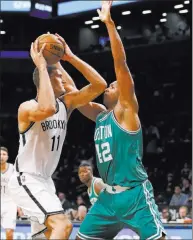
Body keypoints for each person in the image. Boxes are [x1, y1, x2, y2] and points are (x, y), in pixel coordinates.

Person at [73, 1, 165, 239]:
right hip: (107, 198)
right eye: (110, 84)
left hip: (135, 195)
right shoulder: (100, 114)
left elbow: (120, 64)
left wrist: (110, 24)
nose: (111, 85)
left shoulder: (125, 111)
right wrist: (65, 58)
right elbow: (75, 97)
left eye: (114, 84)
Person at [8, 36, 107, 240]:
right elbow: (48, 107)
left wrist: (70, 58)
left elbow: (99, 85)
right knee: (63, 225)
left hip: (44, 181)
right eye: (59, 77)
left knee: (46, 235)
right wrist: (43, 66)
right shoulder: (27, 108)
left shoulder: (67, 104)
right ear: (47, 80)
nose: (64, 80)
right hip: (25, 178)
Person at [1, 147, 21, 240]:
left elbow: (18, 187)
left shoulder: (13, 169)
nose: (1, 156)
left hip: (10, 203)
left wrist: (19, 206)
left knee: (9, 233)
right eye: (0, 154)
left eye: (4, 154)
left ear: (7, 157)